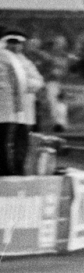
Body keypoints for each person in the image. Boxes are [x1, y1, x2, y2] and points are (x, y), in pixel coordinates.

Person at [2, 29, 44, 175]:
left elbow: (38, 82)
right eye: (11, 42)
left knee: (21, 143)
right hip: (7, 110)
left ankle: (18, 170)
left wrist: (22, 84)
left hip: (24, 111)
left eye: (17, 43)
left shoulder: (26, 63)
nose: (14, 46)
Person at [0, 29, 23, 176]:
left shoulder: (7, 57)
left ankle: (7, 173)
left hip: (4, 109)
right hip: (6, 108)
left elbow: (19, 82)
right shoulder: (9, 57)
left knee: (2, 143)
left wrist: (18, 106)